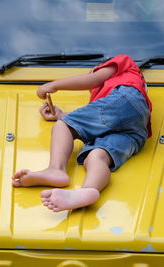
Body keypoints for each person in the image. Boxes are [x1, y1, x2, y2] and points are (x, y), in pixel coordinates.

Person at [12, 54, 152, 212]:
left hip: (124, 100)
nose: (93, 89)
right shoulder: (114, 103)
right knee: (96, 156)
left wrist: (53, 85)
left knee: (62, 126)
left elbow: (93, 80)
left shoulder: (123, 65)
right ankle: (88, 190)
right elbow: (101, 121)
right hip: (136, 131)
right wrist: (61, 114)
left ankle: (56, 169)